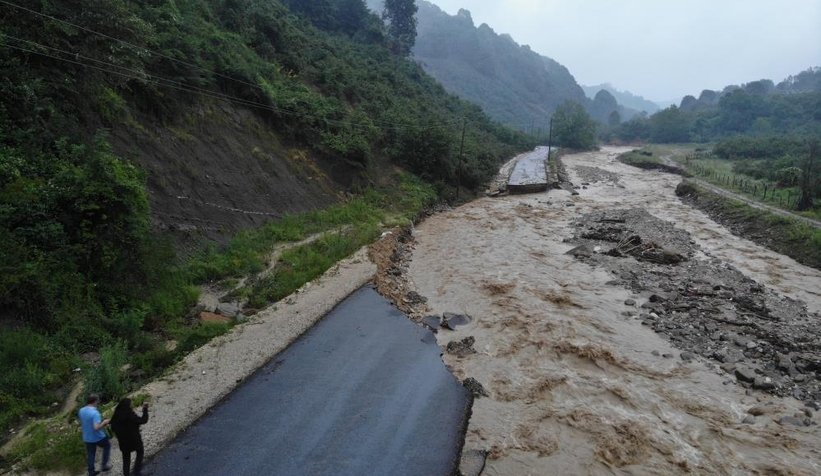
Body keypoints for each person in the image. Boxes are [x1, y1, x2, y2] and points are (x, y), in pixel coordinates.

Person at [110, 398, 149, 476]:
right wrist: (145, 409)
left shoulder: (115, 416)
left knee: (126, 460)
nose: (131, 405)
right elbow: (143, 420)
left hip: (123, 443)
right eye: (130, 404)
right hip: (135, 440)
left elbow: (113, 428)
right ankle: (136, 471)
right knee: (140, 452)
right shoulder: (130, 415)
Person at [78, 394, 112, 476]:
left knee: (91, 454)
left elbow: (85, 421)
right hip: (97, 437)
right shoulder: (95, 413)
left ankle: (91, 472)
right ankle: (104, 466)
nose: (98, 402)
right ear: (95, 401)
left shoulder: (81, 410)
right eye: (98, 401)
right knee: (107, 446)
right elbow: (96, 427)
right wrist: (104, 422)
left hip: (87, 437)